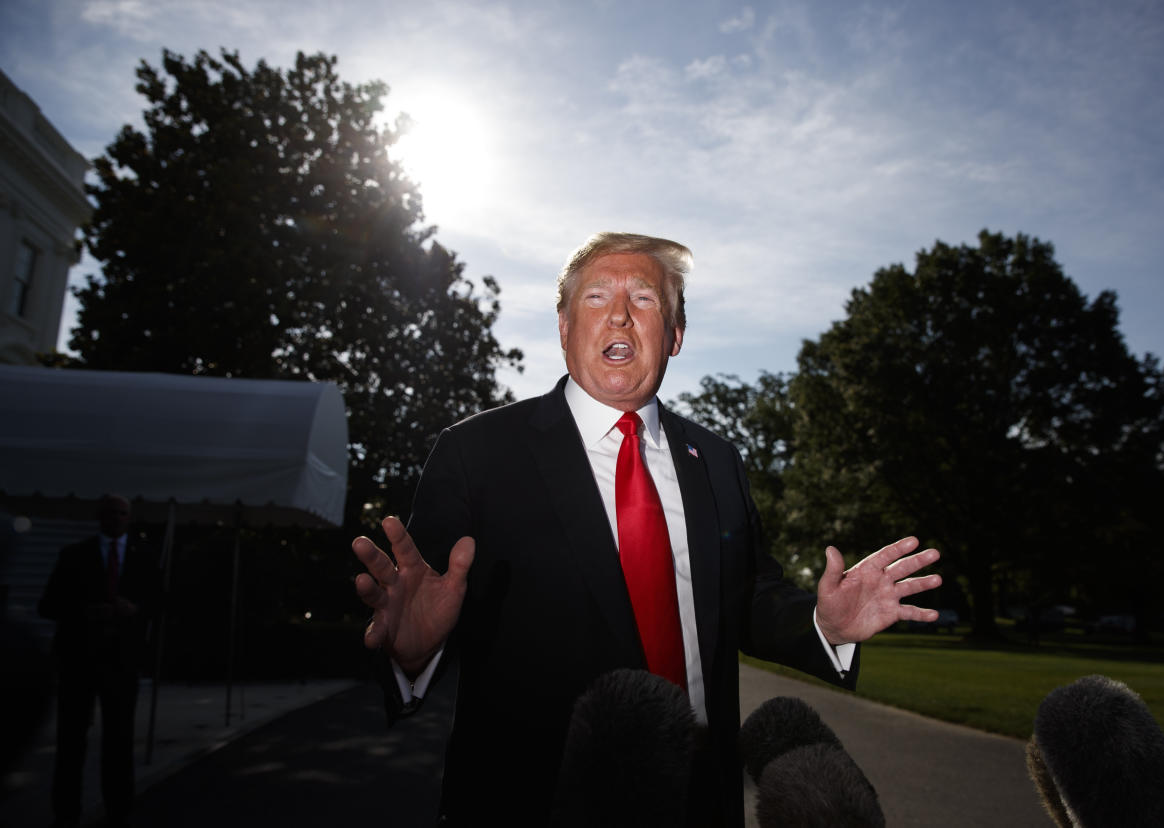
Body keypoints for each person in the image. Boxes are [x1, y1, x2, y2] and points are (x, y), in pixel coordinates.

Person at [353, 232, 942, 825]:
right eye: (596, 297)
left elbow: (747, 597)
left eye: (644, 299)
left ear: (676, 335)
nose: (618, 313)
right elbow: (424, 605)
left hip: (698, 801)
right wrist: (413, 652)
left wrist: (823, 624)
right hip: (534, 802)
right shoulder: (474, 454)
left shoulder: (716, 460)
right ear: (563, 327)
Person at [39, 494, 161, 828]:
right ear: (100, 517)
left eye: (122, 514)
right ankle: (66, 813)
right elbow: (48, 605)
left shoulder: (144, 558)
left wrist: (134, 610)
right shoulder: (74, 555)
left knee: (119, 740)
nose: (116, 519)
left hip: (121, 661)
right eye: (110, 513)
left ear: (129, 518)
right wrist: (83, 612)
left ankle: (119, 809)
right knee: (71, 741)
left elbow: (159, 603)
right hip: (79, 658)